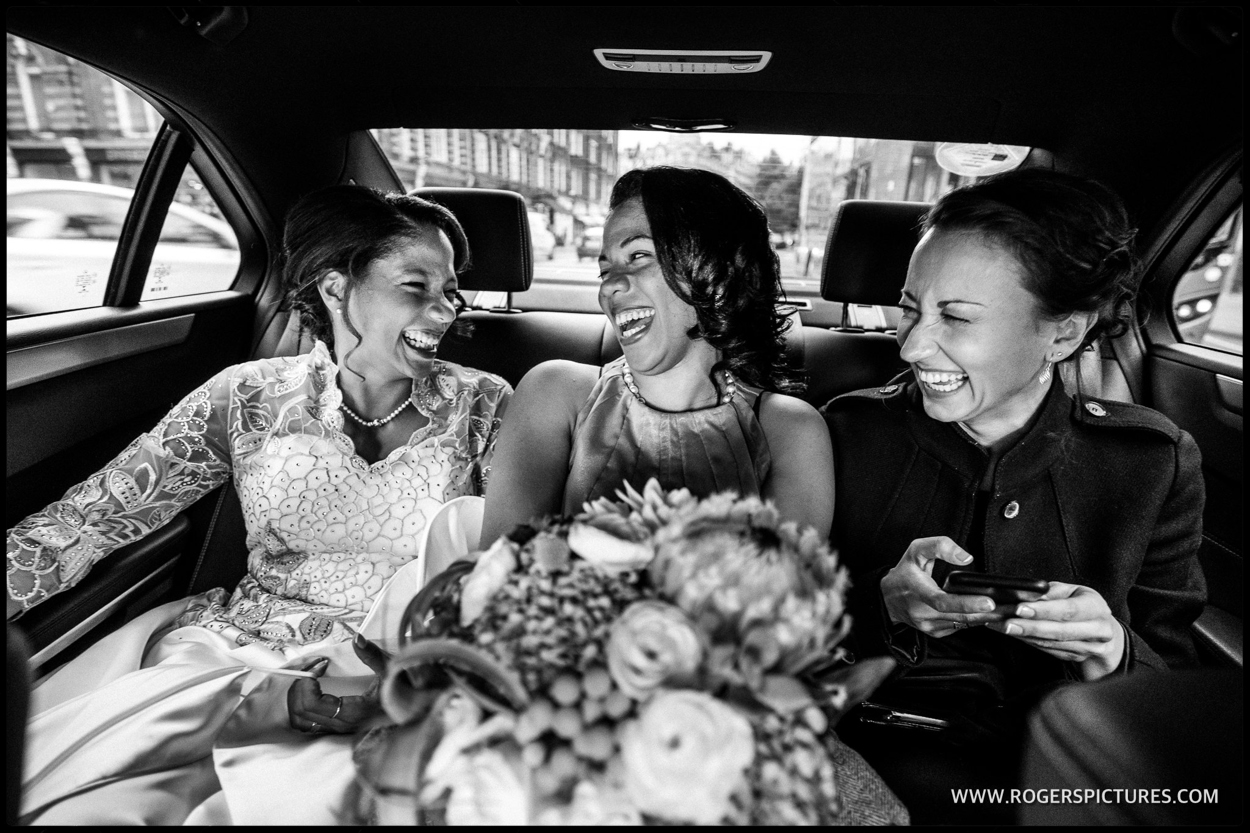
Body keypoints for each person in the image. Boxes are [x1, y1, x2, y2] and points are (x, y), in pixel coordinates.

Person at [7, 185, 512, 824]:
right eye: (416, 288)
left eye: (450, 291)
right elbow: (88, 521)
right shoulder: (245, 398)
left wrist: (421, 677)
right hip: (234, 655)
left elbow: (507, 559)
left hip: (396, 666)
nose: (445, 313)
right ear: (335, 289)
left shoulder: (485, 403)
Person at [821, 167, 1207, 823]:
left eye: (956, 316)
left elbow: (1176, 693)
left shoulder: (1151, 462)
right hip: (873, 761)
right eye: (910, 306)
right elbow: (775, 633)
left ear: (1062, 332)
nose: (911, 344)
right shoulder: (844, 432)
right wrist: (883, 608)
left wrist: (1111, 654)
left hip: (1068, 774)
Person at [480, 166, 834, 545]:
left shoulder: (790, 429)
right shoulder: (554, 392)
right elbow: (499, 574)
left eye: (638, 256)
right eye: (605, 270)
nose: (611, 287)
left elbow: (785, 594)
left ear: (716, 271)